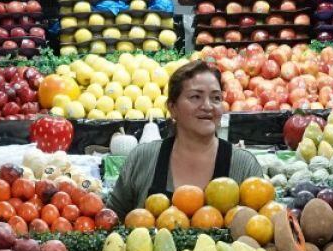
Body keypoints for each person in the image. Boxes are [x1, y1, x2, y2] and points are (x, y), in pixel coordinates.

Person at [107, 61, 263, 219]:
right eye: (196, 97)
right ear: (172, 108)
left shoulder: (244, 166)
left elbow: (267, 227)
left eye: (216, 98)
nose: (208, 106)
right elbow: (110, 220)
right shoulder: (142, 159)